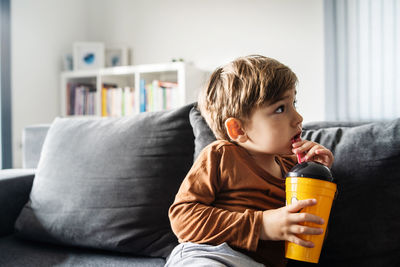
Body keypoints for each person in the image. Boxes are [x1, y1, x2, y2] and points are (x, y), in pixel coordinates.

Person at [165, 55, 334, 267]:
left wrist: (317, 176)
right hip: (211, 254)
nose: (298, 118)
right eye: (280, 108)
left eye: (294, 103)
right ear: (239, 129)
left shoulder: (293, 169)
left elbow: (310, 234)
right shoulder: (221, 155)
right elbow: (183, 218)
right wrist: (260, 225)